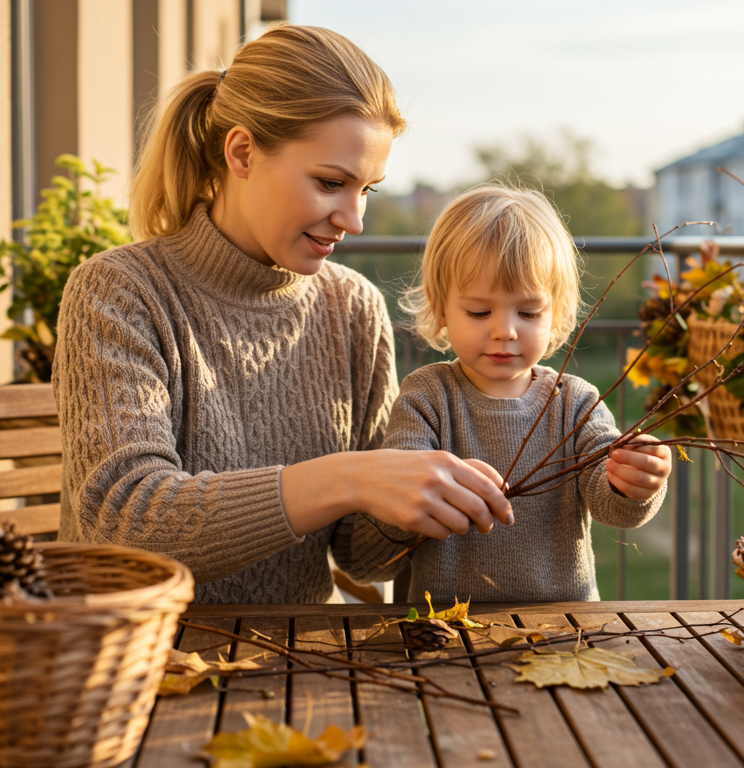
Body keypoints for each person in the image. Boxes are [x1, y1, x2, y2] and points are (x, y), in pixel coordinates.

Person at [54, 25, 513, 604]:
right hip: (140, 662)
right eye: (330, 183)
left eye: (367, 189)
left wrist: (428, 491)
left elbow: (361, 555)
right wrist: (348, 478)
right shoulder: (121, 291)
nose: (354, 218)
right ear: (242, 152)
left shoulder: (352, 309)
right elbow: (124, 521)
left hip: (304, 663)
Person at [345, 185, 672, 602]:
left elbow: (611, 506)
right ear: (440, 305)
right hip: (442, 629)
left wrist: (634, 482)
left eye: (529, 312)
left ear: (556, 313)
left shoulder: (574, 402)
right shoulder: (426, 397)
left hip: (562, 626)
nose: (505, 330)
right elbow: (402, 502)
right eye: (479, 312)